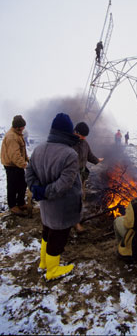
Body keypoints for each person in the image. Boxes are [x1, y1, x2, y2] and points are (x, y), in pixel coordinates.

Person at [25, 113, 82, 281]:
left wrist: (37, 189)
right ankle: (52, 270)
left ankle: (43, 262)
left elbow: (29, 174)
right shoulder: (70, 154)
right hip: (63, 206)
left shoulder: (39, 149)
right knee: (58, 237)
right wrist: (45, 191)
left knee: (47, 231)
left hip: (46, 205)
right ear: (67, 132)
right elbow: (65, 184)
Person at [73, 121, 104, 233]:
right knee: (72, 199)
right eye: (82, 135)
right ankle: (72, 223)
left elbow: (89, 155)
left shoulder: (84, 143)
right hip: (70, 176)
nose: (84, 138)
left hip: (81, 176)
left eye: (85, 136)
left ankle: (76, 221)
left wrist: (97, 160)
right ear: (75, 132)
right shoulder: (68, 143)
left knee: (80, 197)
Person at [1, 115, 29, 216]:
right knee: (12, 186)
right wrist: (24, 165)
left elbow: (22, 150)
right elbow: (15, 155)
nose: (24, 128)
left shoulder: (17, 134)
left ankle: (20, 203)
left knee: (22, 183)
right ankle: (13, 206)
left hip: (17, 165)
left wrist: (27, 159)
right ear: (18, 127)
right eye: (22, 127)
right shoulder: (12, 137)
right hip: (12, 165)